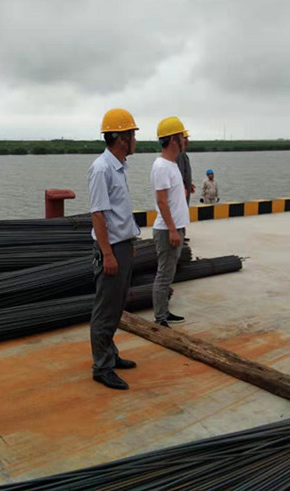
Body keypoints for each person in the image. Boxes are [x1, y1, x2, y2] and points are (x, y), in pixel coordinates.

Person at [87, 108, 141, 390]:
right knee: (105, 309)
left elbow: (119, 212)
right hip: (110, 249)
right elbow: (98, 214)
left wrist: (129, 242)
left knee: (116, 305)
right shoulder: (102, 169)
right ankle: (102, 367)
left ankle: (110, 354)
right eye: (132, 134)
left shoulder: (119, 166)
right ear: (121, 138)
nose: (135, 140)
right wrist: (107, 253)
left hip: (122, 245)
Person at [150, 116, 190, 327]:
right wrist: (173, 230)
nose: (185, 140)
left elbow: (171, 196)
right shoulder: (161, 166)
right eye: (182, 136)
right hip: (167, 230)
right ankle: (160, 318)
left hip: (174, 228)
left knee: (169, 273)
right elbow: (161, 202)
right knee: (164, 275)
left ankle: (164, 311)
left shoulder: (171, 164)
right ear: (174, 139)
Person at [175, 132, 196, 204]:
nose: (187, 141)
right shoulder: (180, 154)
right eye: (185, 138)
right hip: (181, 194)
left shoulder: (183, 154)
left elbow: (184, 172)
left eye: (187, 138)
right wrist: (183, 186)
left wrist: (188, 183)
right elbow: (179, 172)